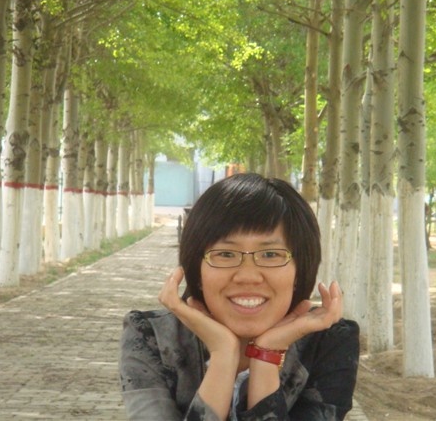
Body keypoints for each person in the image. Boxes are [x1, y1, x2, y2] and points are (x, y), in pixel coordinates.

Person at [119, 173, 359, 420]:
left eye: (270, 255)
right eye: (225, 254)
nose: (248, 276)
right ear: (197, 271)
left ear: (299, 270)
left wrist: (266, 355)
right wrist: (223, 355)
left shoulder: (328, 342)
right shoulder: (151, 336)